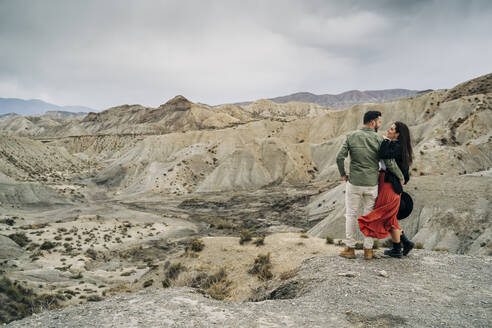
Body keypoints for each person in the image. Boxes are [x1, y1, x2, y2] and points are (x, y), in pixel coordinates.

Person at [336, 111, 404, 260]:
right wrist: (400, 176)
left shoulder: (351, 136)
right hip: (372, 185)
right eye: (379, 122)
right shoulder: (379, 139)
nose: (380, 125)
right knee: (370, 216)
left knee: (351, 215)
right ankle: (368, 250)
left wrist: (343, 174)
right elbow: (389, 162)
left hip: (354, 183)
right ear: (373, 123)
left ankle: (350, 249)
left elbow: (339, 157)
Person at [358, 121, 415, 258]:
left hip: (389, 184)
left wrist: (386, 141)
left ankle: (401, 246)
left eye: (392, 129)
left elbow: (384, 154)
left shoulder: (396, 145)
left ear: (397, 134)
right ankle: (401, 246)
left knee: (386, 215)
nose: (388, 130)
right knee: (389, 216)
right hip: (387, 182)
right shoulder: (399, 146)